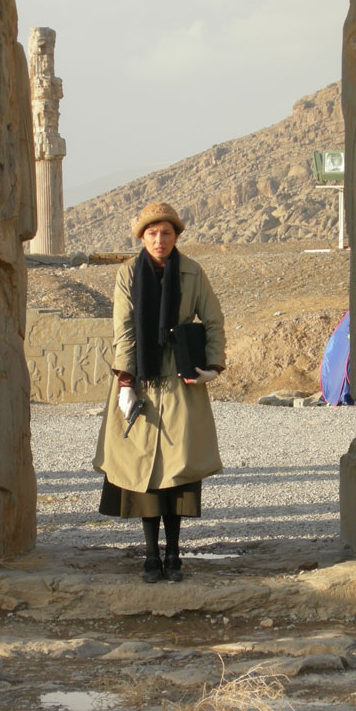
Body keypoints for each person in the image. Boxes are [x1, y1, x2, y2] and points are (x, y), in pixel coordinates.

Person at [92, 202, 225, 583]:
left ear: (176, 236)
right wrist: (125, 384)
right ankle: (151, 555)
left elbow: (213, 319)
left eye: (166, 233)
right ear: (142, 238)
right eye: (152, 233)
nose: (159, 240)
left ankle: (175, 554)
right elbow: (124, 329)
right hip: (140, 377)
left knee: (177, 469)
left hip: (181, 379)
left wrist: (212, 366)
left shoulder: (193, 272)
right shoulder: (127, 273)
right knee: (142, 471)